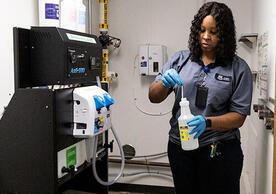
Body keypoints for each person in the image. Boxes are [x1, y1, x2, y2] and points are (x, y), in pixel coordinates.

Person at [148, 2, 253, 194]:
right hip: (180, 148)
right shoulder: (180, 60)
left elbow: (239, 117)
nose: (206, 36)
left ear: (224, 35)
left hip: (219, 150)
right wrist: (163, 82)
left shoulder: (238, 68)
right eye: (202, 30)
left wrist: (208, 122)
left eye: (213, 32)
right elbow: (153, 97)